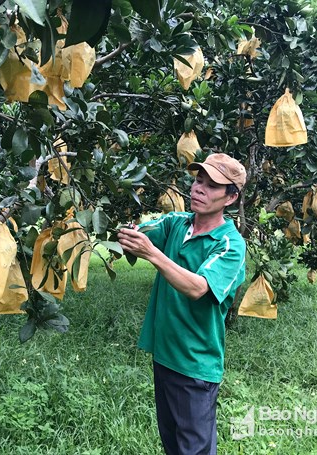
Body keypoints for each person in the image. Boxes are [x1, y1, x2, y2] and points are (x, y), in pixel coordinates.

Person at [117, 153, 247, 455]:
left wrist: (152, 254)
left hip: (195, 365)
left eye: (212, 186)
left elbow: (199, 288)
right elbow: (138, 232)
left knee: (195, 450)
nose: (198, 189)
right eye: (198, 180)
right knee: (173, 444)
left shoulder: (229, 244)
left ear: (230, 197)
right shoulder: (176, 223)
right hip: (164, 356)